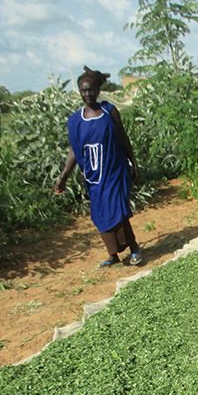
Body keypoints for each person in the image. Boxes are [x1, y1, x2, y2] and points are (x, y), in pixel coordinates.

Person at [55, 66, 142, 269]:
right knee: (101, 213)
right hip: (94, 176)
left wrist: (133, 162)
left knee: (118, 211)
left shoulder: (108, 111)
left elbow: (122, 137)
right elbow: (74, 150)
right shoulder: (76, 121)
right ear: (79, 92)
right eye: (83, 90)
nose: (87, 94)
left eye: (91, 89)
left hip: (115, 171)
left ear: (97, 91)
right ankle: (113, 255)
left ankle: (134, 248)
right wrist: (63, 176)